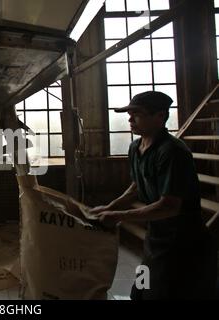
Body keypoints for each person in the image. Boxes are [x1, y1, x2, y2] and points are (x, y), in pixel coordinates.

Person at [90, 91, 217, 299]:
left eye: (137, 114)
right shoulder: (135, 147)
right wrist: (110, 206)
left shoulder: (173, 152)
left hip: (183, 243)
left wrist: (119, 216)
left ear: (159, 117)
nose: (130, 119)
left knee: (166, 294)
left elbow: (169, 206)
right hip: (156, 237)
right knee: (139, 292)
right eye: (129, 114)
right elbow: (137, 186)